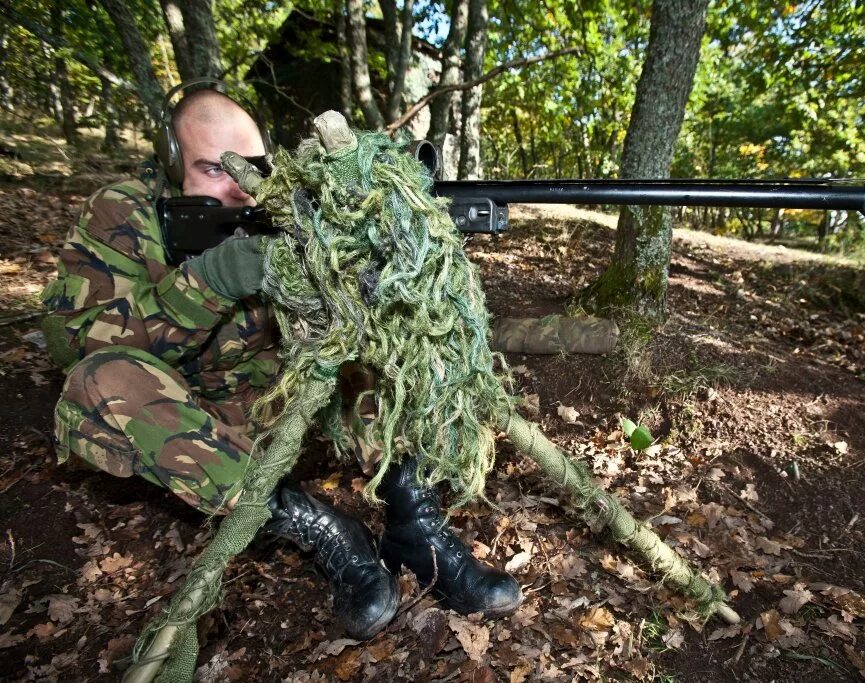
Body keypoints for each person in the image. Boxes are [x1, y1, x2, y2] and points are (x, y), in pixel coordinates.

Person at [40, 82, 522, 640]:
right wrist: (210, 280)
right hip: (190, 419)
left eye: (247, 168)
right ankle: (322, 530)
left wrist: (373, 261)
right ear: (172, 166)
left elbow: (344, 328)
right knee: (100, 380)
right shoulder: (123, 214)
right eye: (214, 169)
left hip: (278, 401)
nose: (239, 190)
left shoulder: (282, 206)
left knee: (402, 344)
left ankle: (415, 524)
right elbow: (81, 339)